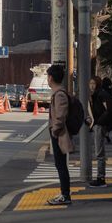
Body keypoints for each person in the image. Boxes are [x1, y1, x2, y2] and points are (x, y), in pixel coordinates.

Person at [87, 76, 112, 187]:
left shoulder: (101, 94)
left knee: (99, 153)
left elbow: (110, 109)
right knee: (99, 152)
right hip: (99, 125)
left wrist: (99, 121)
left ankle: (101, 178)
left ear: (98, 84)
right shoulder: (96, 94)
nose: (92, 86)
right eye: (90, 83)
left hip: (100, 126)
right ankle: (100, 177)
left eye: (94, 83)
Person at [46, 64, 74, 206]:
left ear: (51, 78)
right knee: (60, 164)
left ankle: (65, 194)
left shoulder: (60, 95)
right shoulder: (58, 93)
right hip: (58, 133)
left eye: (48, 76)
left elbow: (61, 116)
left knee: (61, 165)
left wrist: (55, 130)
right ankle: (64, 193)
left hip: (60, 134)